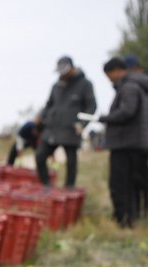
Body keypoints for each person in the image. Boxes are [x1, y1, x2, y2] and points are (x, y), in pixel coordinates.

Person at [99, 56, 148, 229]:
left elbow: (127, 112)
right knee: (131, 183)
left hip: (126, 144)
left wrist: (104, 118)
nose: (109, 80)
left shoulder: (129, 87)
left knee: (120, 184)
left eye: (109, 76)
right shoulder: (133, 86)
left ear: (117, 71)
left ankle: (124, 218)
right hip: (132, 143)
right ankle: (130, 218)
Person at [35, 56, 97, 188]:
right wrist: (41, 116)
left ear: (72, 68)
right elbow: (49, 104)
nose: (62, 75)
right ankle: (46, 185)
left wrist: (82, 124)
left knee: (71, 161)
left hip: (71, 129)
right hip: (52, 128)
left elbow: (91, 107)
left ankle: (69, 188)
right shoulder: (56, 86)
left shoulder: (85, 84)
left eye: (65, 72)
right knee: (40, 156)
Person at [125, 54, 148, 214]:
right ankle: (139, 207)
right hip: (138, 136)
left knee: (141, 173)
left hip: (144, 136)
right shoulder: (141, 84)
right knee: (136, 173)